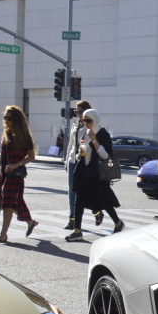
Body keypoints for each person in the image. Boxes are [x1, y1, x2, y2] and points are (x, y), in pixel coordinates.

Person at [65, 109, 122, 241]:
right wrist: (80, 153)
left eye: (88, 120)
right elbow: (82, 155)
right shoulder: (84, 133)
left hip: (97, 174)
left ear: (95, 120)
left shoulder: (103, 134)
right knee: (79, 200)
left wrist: (95, 141)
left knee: (104, 201)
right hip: (84, 172)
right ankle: (77, 231)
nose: (86, 123)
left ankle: (118, 223)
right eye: (83, 120)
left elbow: (107, 157)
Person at [0, 106, 38, 243]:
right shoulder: (6, 134)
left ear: (17, 120)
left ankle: (3, 235)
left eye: (9, 118)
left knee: (8, 204)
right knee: (14, 203)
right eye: (5, 117)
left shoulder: (24, 135)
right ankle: (30, 222)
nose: (6, 120)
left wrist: (16, 164)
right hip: (5, 174)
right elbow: (3, 158)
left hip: (16, 175)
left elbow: (31, 156)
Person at [62, 99, 101, 230]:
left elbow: (89, 145)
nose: (78, 114)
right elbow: (71, 143)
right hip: (73, 160)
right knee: (71, 190)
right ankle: (72, 218)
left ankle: (96, 211)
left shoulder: (90, 125)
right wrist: (67, 160)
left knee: (85, 191)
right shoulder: (75, 124)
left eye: (79, 111)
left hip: (84, 161)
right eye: (76, 111)